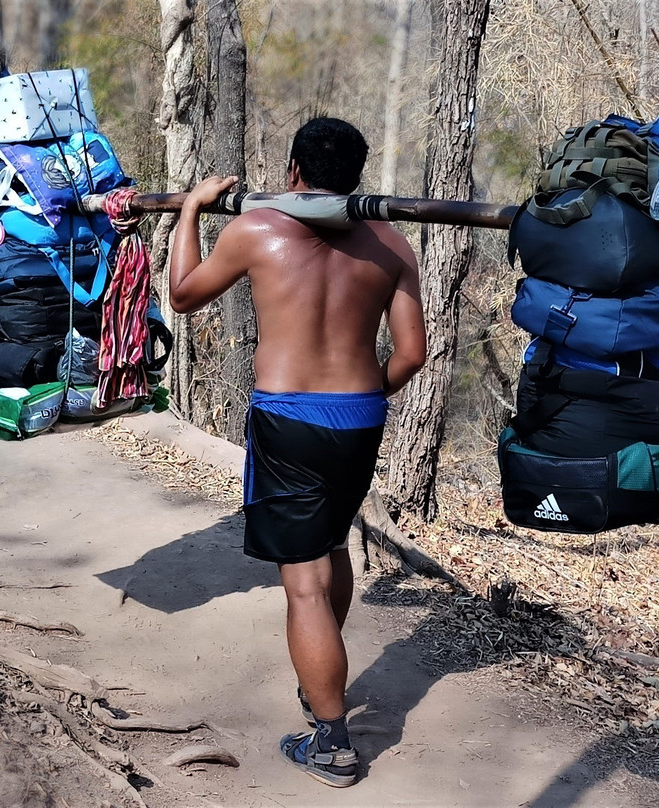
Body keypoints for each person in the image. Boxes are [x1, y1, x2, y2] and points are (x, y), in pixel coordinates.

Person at [169, 117, 427, 787]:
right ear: (358, 178)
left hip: (289, 420)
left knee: (304, 583)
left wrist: (193, 207)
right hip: (360, 416)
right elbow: (411, 354)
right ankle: (323, 695)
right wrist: (364, 397)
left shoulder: (255, 231)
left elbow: (182, 294)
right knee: (333, 544)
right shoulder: (392, 243)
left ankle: (334, 744)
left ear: (293, 172)